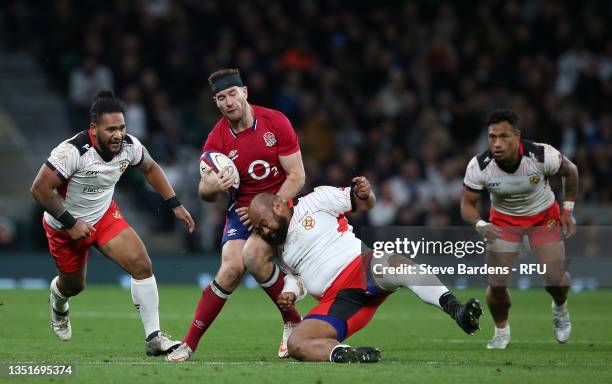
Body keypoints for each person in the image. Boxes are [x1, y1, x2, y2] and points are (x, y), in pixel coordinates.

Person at [247, 176, 482, 363]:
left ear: (277, 206)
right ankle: (349, 354)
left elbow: (365, 203)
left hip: (362, 266)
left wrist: (366, 193)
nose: (264, 232)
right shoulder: (282, 251)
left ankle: (456, 309)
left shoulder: (315, 200)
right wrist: (291, 292)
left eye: (264, 224)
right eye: (259, 230)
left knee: (397, 264)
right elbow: (297, 279)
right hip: (338, 301)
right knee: (296, 343)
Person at [30, 90, 195, 356]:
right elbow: (39, 189)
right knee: (73, 286)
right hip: (64, 227)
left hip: (105, 216)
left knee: (142, 264)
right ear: (93, 129)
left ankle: (154, 339)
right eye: (111, 129)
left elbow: (151, 168)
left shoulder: (130, 146)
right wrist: (71, 222)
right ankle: (58, 302)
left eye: (122, 127)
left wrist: (175, 204)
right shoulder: (71, 151)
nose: (118, 134)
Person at [167, 69, 305, 362]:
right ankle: (189, 343)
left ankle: (294, 320)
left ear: (244, 92)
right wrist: (210, 186)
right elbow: (205, 190)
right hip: (240, 211)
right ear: (216, 103)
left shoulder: (276, 122)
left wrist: (266, 208)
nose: (228, 102)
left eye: (232, 94)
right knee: (231, 269)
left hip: (282, 203)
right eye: (220, 98)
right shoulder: (216, 139)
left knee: (255, 257)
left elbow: (297, 175)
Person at [460, 109, 579, 349]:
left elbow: (571, 171)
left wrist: (567, 211)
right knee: (496, 284)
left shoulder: (542, 155)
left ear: (517, 136)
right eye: (492, 137)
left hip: (543, 218)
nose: (497, 143)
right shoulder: (479, 166)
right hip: (503, 222)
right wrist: (481, 224)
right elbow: (467, 205)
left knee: (555, 279)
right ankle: (501, 331)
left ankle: (560, 308)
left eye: (503, 136)